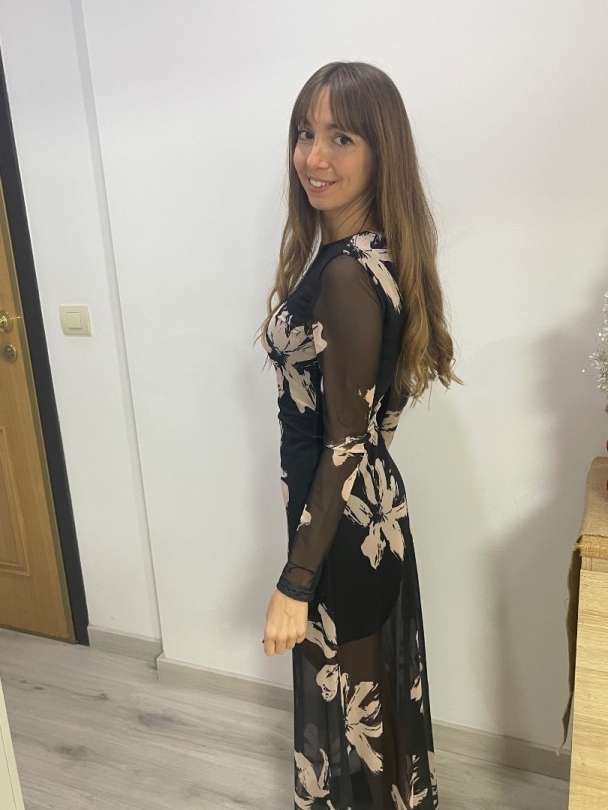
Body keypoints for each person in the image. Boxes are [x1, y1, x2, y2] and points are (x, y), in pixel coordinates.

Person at [257, 60, 462, 810]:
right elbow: (378, 419)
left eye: (341, 138)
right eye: (304, 134)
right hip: (360, 515)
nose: (314, 157)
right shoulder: (373, 256)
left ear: (382, 151)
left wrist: (295, 582)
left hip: (341, 530)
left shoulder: (349, 272)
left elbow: (347, 439)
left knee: (360, 732)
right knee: (369, 727)